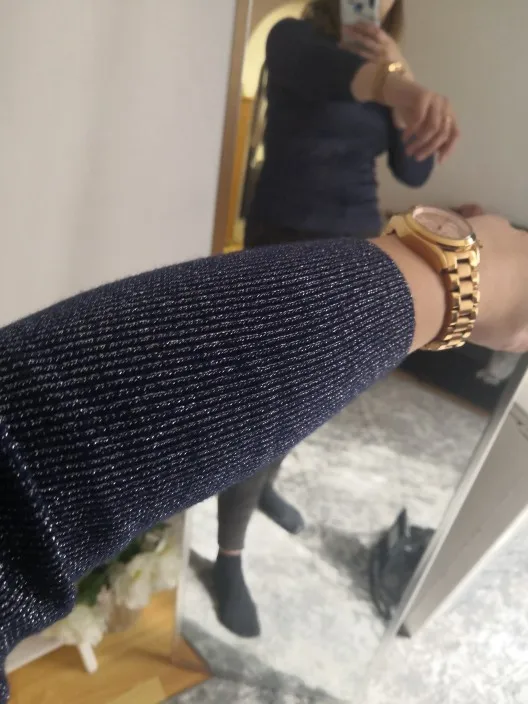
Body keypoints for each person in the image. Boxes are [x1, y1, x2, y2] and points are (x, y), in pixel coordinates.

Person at [0, 213, 527, 702]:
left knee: (287, 419)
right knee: (260, 417)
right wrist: (446, 281)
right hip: (299, 227)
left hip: (359, 232)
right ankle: (230, 553)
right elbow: (23, 472)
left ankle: (265, 490)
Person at [214, 0, 460, 638]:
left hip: (354, 246)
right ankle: (228, 556)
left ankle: (266, 484)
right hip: (284, 238)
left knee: (313, 395)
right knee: (261, 406)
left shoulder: (389, 70)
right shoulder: (293, 40)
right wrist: (398, 84)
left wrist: (406, 85)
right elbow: (344, 77)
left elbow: (413, 169)